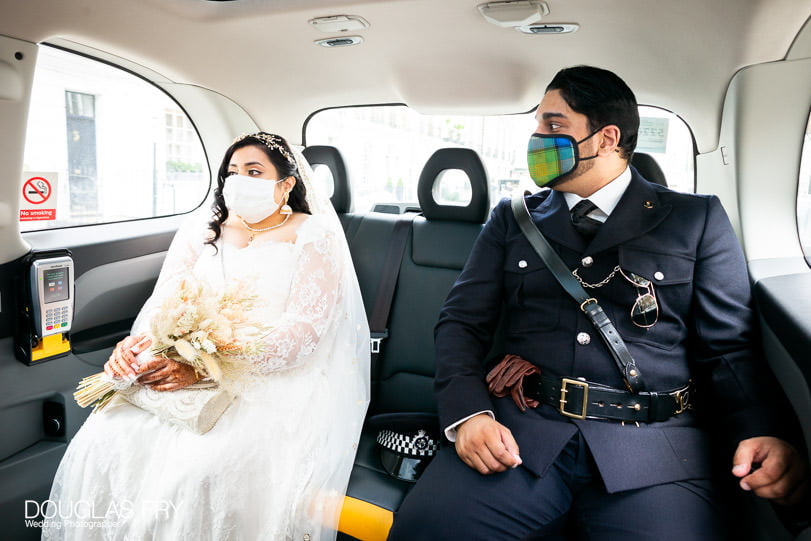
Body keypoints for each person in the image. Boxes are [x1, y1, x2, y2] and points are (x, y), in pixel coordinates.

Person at [388, 66, 808, 540]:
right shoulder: (514, 218)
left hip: (655, 449)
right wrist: (468, 414)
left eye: (553, 126)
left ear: (606, 138)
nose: (537, 139)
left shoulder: (695, 219)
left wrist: (764, 430)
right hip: (521, 437)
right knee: (425, 531)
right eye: (538, 126)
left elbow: (729, 349)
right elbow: (461, 323)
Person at [42, 132, 370, 540]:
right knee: (107, 434)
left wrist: (207, 367)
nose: (239, 180)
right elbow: (165, 303)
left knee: (202, 469)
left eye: (254, 171)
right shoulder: (204, 227)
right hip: (183, 359)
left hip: (266, 374)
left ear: (286, 184)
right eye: (232, 171)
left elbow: (304, 333)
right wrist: (133, 347)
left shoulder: (312, 234)